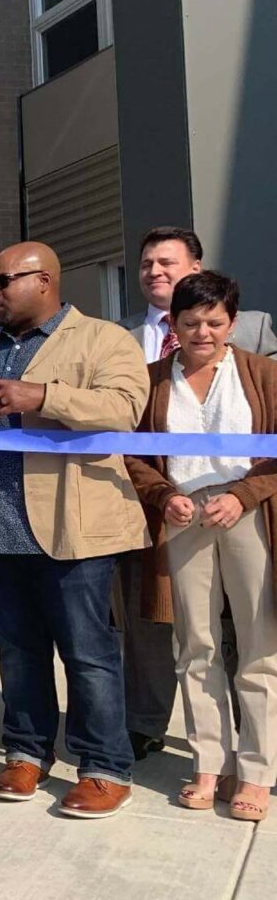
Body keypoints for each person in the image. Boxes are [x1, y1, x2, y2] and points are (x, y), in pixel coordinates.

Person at [0, 242, 149, 819]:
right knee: (17, 652)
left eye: (1, 283)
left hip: (74, 527)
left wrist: (41, 395)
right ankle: (26, 750)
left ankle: (102, 765)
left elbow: (124, 407)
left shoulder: (104, 339)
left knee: (87, 653)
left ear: (42, 281)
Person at [118, 227, 277, 760]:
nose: (202, 332)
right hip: (181, 518)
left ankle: (256, 768)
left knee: (258, 646)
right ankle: (209, 762)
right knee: (195, 648)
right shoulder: (151, 377)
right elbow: (132, 452)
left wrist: (244, 495)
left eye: (213, 322)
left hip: (247, 514)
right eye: (190, 323)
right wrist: (164, 496)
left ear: (232, 323)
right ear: (175, 326)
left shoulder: (263, 372)